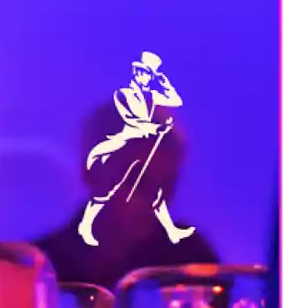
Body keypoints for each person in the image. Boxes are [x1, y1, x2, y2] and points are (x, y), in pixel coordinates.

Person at [33, 92, 221, 294]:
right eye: (138, 180)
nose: (155, 201)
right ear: (92, 171)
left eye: (166, 185)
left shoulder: (192, 264)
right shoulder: (38, 270)